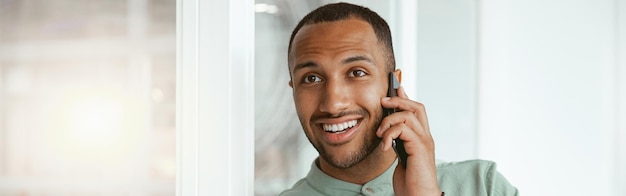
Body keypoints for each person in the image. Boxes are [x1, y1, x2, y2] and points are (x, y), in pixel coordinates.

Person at [280, 2, 518, 196]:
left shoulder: (483, 187)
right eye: (311, 78)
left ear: (393, 85)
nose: (333, 104)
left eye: (357, 73)